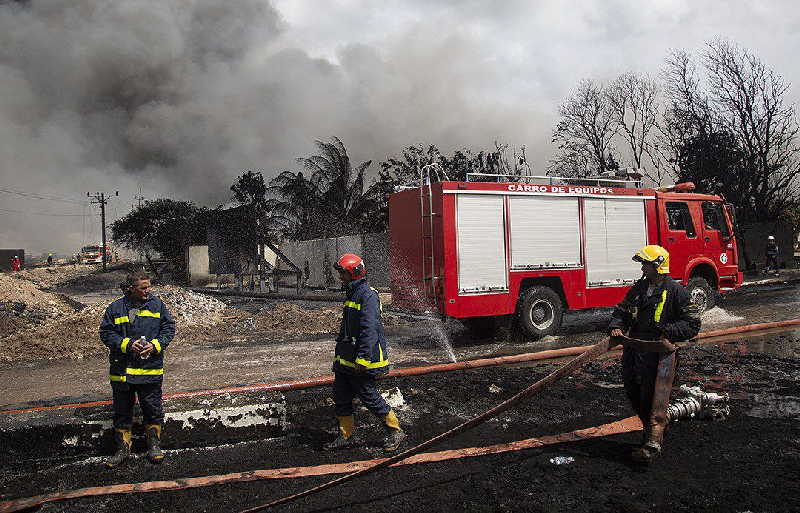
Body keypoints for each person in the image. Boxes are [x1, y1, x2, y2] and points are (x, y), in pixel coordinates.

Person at [608, 245, 701, 463]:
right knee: (633, 390)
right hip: (634, 349)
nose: (642, 267)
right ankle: (649, 432)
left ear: (658, 265)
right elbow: (622, 310)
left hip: (660, 355)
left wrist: (668, 331)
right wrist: (616, 325)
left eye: (646, 263)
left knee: (654, 396)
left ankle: (653, 442)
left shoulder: (677, 292)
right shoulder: (639, 289)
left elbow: (693, 324)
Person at [326, 253, 406, 452]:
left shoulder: (367, 295)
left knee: (367, 395)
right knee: (340, 395)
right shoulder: (353, 293)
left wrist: (363, 358)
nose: (340, 277)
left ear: (353, 274)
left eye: (343, 274)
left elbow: (368, 329)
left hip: (362, 361)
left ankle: (395, 430)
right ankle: (345, 435)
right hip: (346, 360)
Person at [99, 271, 175, 467]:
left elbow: (169, 329)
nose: (147, 291)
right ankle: (122, 449)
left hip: (149, 371)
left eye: (149, 287)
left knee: (152, 408)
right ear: (131, 288)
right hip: (122, 373)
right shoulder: (115, 308)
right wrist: (127, 344)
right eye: (143, 288)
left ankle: (154, 446)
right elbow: (106, 333)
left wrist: (156, 345)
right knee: (122, 411)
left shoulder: (157, 305)